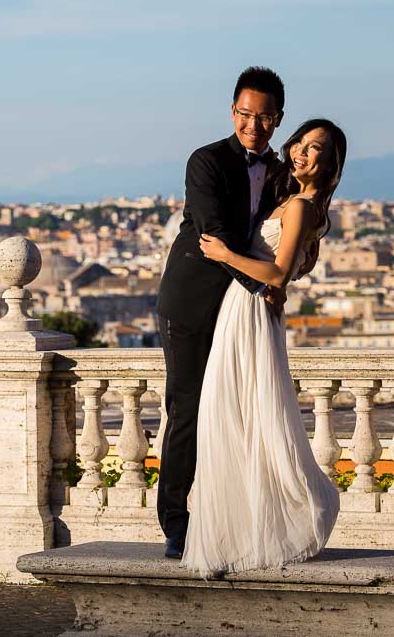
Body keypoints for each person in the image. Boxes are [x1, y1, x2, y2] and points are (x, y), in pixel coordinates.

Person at [182, 118, 347, 576]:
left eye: (316, 150)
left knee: (237, 416)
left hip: (251, 306)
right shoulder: (293, 200)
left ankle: (294, 512)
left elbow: (276, 273)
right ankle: (241, 535)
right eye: (301, 143)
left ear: (329, 164)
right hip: (247, 308)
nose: (301, 153)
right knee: (238, 417)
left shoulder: (300, 207)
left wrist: (225, 255)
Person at [155, 67, 287, 559]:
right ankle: (175, 523)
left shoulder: (278, 171)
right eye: (245, 115)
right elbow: (214, 237)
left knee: (236, 411)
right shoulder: (205, 161)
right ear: (233, 111)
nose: (253, 126)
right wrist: (266, 283)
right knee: (186, 410)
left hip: (241, 307)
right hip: (191, 302)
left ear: (277, 119)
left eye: (265, 117)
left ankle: (228, 517)